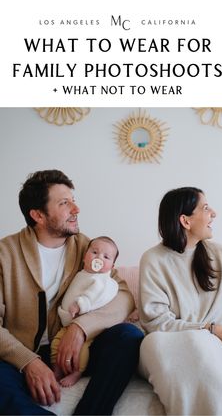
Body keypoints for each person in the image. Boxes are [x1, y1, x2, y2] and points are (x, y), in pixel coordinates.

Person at [0, 169, 144, 416]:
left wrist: (81, 328)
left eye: (73, 201)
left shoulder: (88, 248)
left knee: (128, 336)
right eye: (65, 203)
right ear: (38, 215)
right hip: (20, 354)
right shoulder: (5, 253)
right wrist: (29, 361)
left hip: (78, 351)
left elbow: (123, 295)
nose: (76, 210)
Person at [139, 187, 222, 415]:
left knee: (202, 345)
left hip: (216, 345)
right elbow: (155, 322)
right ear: (185, 220)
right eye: (205, 208)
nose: (214, 213)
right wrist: (210, 329)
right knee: (171, 343)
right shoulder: (153, 259)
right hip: (167, 341)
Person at [51, 236, 119, 387]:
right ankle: (56, 369)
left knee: (82, 350)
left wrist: (81, 304)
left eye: (106, 257)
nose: (99, 258)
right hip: (67, 324)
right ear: (84, 257)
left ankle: (77, 372)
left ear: (112, 267)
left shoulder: (102, 280)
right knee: (56, 344)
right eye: (94, 252)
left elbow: (94, 294)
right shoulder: (80, 274)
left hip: (86, 324)